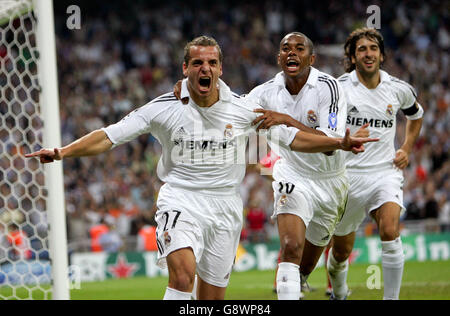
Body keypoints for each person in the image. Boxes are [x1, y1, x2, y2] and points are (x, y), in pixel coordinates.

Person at [25, 36, 376, 300]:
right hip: (180, 199)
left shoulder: (243, 110)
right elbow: (109, 136)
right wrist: (62, 151)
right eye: (196, 63)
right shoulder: (164, 107)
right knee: (181, 278)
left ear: (220, 69)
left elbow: (293, 139)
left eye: (211, 63)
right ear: (185, 69)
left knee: (210, 300)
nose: (204, 68)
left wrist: (339, 142)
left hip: (225, 206)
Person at [247, 32, 354, 300]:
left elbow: (330, 143)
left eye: (299, 48)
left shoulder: (329, 87)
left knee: (304, 269)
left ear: (312, 58)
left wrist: (284, 119)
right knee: (290, 247)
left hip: (331, 181)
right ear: (279, 57)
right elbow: (228, 107)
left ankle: (313, 284)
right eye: (285, 48)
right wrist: (189, 90)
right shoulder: (264, 93)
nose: (291, 52)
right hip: (292, 174)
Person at [327, 28, 424, 300]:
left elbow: (417, 115)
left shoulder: (398, 89)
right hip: (347, 177)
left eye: (373, 48)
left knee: (390, 231)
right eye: (361, 49)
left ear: (382, 55)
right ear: (353, 56)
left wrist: (405, 147)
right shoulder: (339, 89)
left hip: (384, 173)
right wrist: (341, 140)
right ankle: (340, 291)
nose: (368, 53)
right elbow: (325, 129)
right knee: (340, 252)